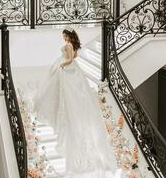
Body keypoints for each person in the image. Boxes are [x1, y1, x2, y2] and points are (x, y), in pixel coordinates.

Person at [34, 27, 116, 177]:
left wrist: (62, 64)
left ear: (68, 35)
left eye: (64, 35)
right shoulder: (73, 45)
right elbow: (75, 57)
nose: (63, 37)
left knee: (64, 93)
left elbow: (71, 59)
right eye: (63, 35)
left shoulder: (69, 45)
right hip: (73, 70)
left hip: (67, 69)